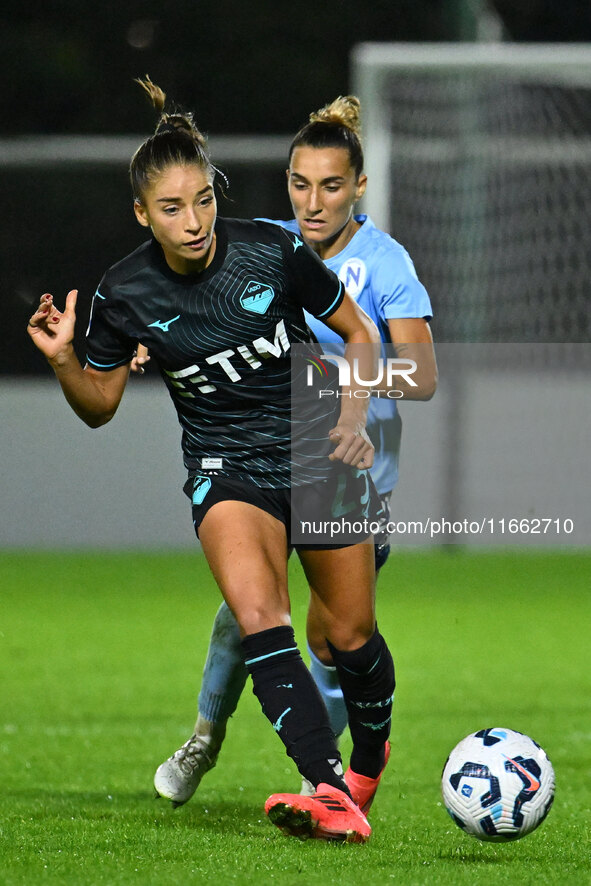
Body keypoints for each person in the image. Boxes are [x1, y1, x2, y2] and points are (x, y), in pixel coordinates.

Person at [27, 78, 397, 843]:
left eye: (202, 201)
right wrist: (67, 360)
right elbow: (99, 404)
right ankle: (328, 790)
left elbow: (359, 333)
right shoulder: (124, 291)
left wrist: (354, 414)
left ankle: (366, 756)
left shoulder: (272, 252)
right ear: (141, 213)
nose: (192, 222)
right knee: (262, 619)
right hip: (227, 469)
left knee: (352, 636)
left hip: (315, 446)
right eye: (170, 208)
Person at [151, 96, 437, 807]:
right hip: (261, 462)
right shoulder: (263, 243)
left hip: (348, 477)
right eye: (299, 183)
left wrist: (330, 373)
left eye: (331, 185)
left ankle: (329, 777)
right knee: (242, 613)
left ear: (358, 187)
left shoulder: (384, 263)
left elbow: (422, 376)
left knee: (335, 642)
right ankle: (205, 742)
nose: (312, 202)